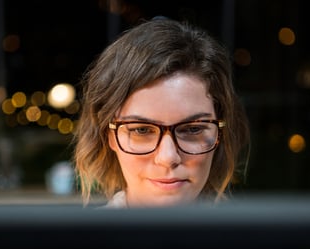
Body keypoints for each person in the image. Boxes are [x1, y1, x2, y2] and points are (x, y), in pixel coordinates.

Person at [72, 17, 250, 208]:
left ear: (220, 133)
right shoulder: (82, 239)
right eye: (141, 130)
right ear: (110, 136)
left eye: (193, 129)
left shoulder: (253, 237)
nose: (168, 158)